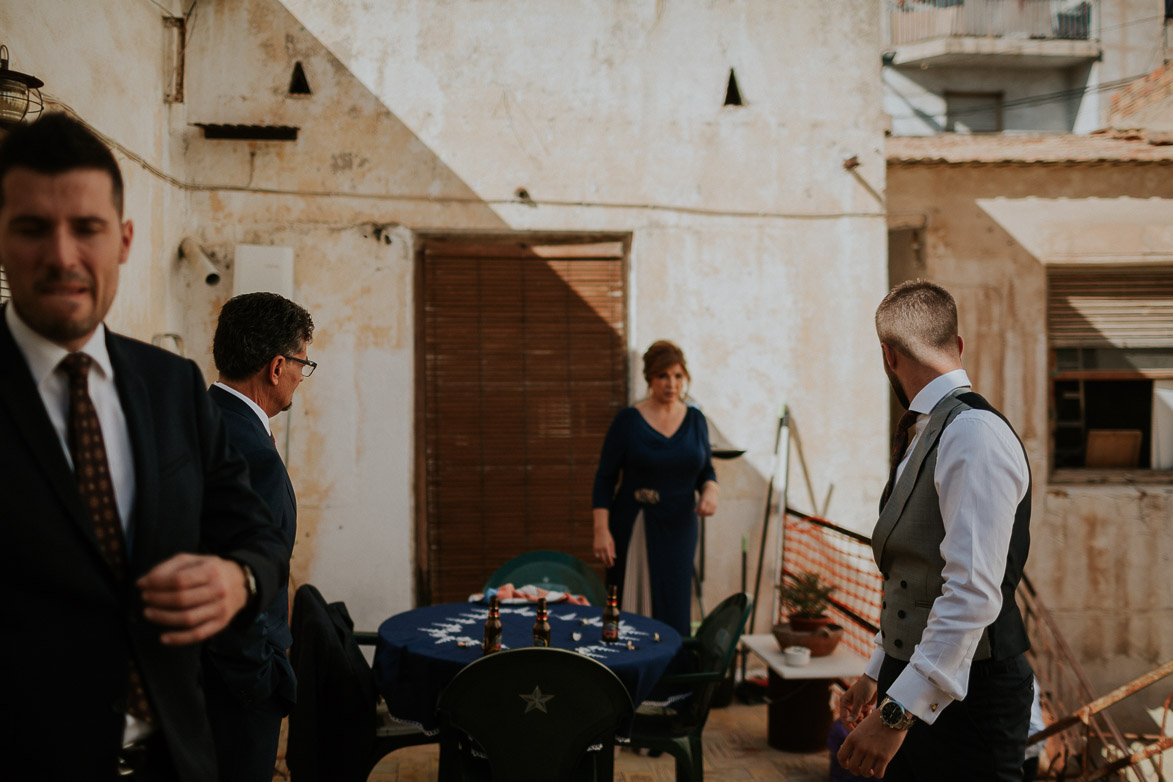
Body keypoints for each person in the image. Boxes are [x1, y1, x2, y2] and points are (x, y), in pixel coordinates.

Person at [0, 113, 288, 780]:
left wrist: (236, 578)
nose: (64, 255)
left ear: (124, 240)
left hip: (176, 757)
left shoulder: (171, 384)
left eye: (88, 228)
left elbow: (256, 531)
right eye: (33, 228)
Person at [837, 280, 1033, 781]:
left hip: (970, 698)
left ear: (888, 356)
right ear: (958, 345)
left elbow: (969, 593)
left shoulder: (972, 433)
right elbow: (917, 573)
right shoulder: (929, 429)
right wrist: (879, 668)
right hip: (920, 678)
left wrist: (897, 714)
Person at [204, 292, 314, 782]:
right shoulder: (255, 455)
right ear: (276, 366)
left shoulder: (196, 420)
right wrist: (259, 682)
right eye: (302, 365)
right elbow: (240, 576)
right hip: (237, 689)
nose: (299, 378)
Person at [591, 340, 718, 636]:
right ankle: (628, 677)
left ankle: (672, 681)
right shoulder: (628, 421)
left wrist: (712, 491)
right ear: (649, 378)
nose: (671, 384)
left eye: (677, 376)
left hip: (680, 528)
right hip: (633, 524)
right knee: (629, 606)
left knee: (674, 608)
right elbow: (605, 477)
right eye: (663, 376)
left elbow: (706, 470)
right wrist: (601, 529)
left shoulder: (696, 420)